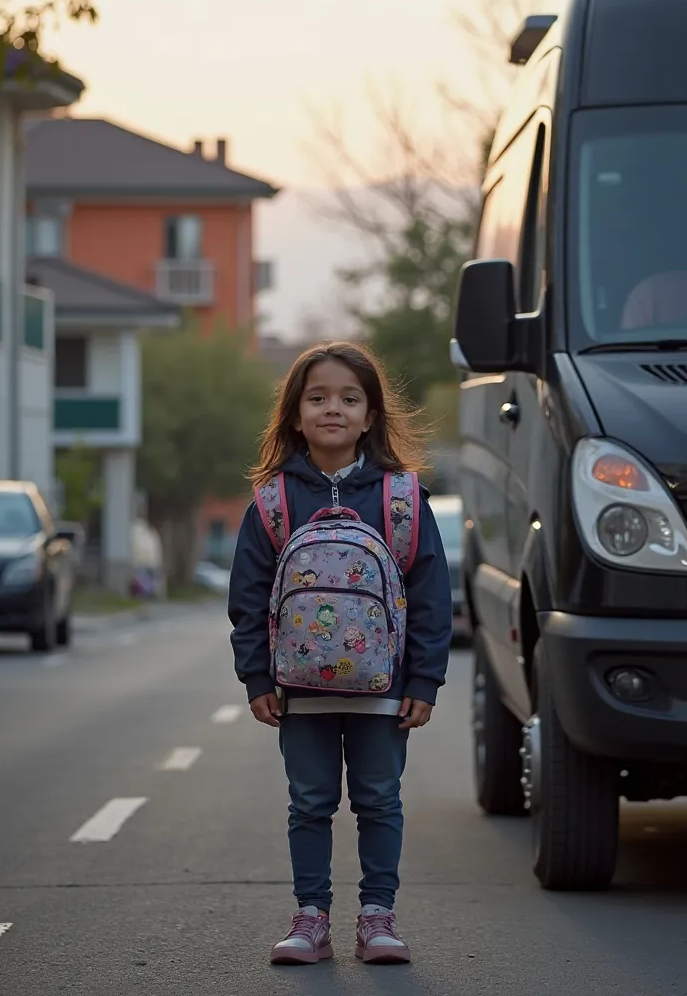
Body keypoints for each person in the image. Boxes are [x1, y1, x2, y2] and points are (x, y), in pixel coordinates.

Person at [228, 341, 452, 966]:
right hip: (298, 688)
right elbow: (247, 597)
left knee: (380, 797)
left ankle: (378, 917)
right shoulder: (272, 500)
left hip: (385, 687)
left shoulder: (401, 498)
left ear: (371, 414)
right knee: (310, 801)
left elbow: (431, 593)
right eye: (318, 397)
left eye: (350, 398)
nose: (334, 409)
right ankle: (312, 918)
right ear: (295, 415)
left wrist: (424, 681)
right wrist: (255, 677)